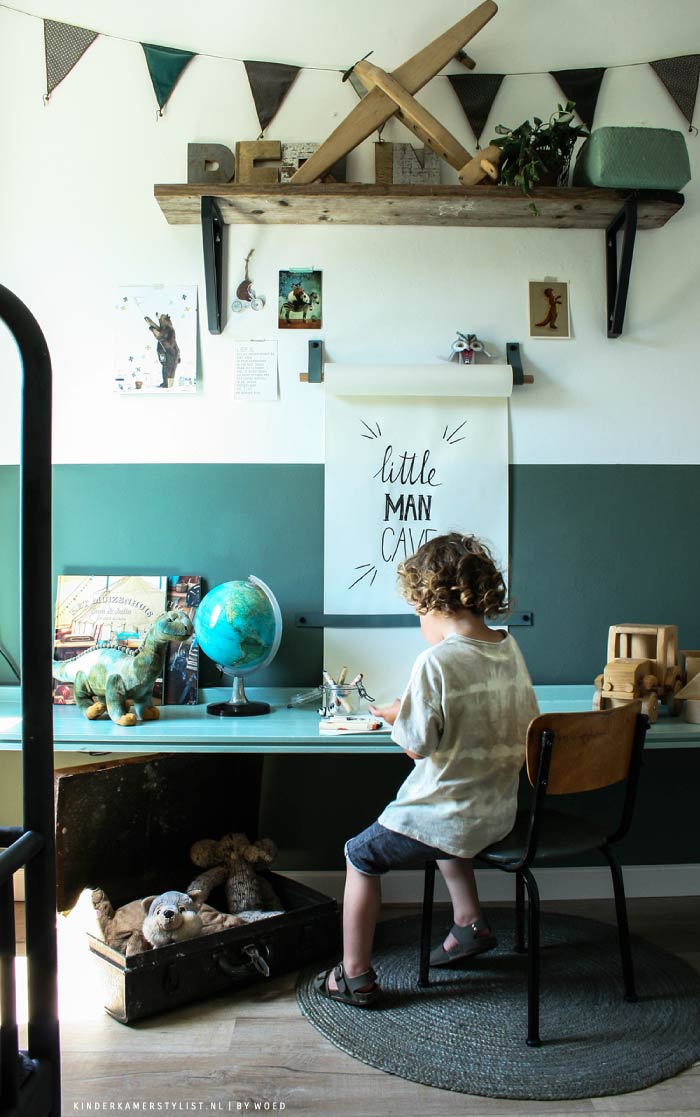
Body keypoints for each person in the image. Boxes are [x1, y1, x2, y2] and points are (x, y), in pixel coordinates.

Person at [314, 532, 539, 1007]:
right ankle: (469, 923)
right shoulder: (508, 649)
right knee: (446, 830)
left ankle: (353, 976)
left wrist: (398, 714)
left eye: (418, 613)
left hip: (450, 814)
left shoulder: (436, 661)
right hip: (498, 810)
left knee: (360, 854)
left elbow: (418, 748)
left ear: (433, 604)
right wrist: (413, 708)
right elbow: (522, 720)